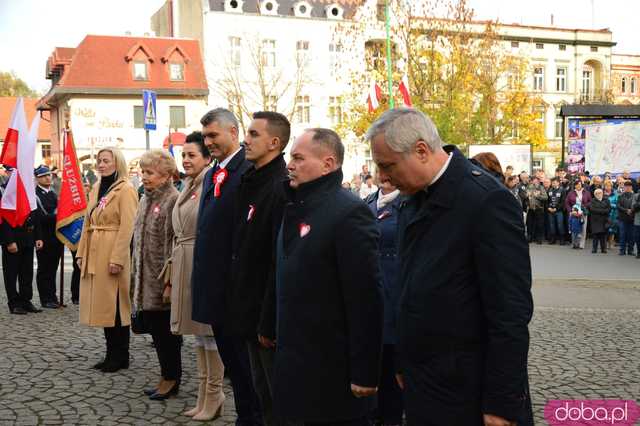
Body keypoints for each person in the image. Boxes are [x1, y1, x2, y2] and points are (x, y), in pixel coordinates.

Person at [367, 108, 533, 426]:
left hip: (469, 389)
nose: (383, 177)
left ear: (421, 150)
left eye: (388, 166)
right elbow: (407, 289)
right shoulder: (412, 198)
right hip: (425, 381)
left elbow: (509, 313)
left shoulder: (486, 202)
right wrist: (404, 358)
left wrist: (501, 402)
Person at [273, 128, 383, 425]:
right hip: (295, 367)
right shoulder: (295, 206)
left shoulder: (349, 213)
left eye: (298, 157)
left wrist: (364, 372)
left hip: (331, 372)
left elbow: (365, 299)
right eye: (289, 158)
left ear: (328, 163)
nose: (290, 165)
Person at [192, 108, 262, 425]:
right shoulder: (215, 172)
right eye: (205, 136)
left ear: (233, 133)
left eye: (213, 135)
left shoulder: (247, 170)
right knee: (233, 364)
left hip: (234, 289)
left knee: (245, 368)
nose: (208, 142)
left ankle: (251, 417)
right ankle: (245, 414)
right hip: (215, 286)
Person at [226, 112, 291, 426]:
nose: (245, 140)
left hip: (265, 316)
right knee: (261, 394)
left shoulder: (280, 189)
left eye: (253, 134)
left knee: (276, 399)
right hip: (247, 309)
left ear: (274, 143)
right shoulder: (250, 182)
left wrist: (267, 320)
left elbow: (276, 262)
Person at [169, 132, 224, 420]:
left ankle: (215, 394)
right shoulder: (189, 184)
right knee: (198, 335)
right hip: (185, 260)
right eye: (184, 155)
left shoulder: (210, 184)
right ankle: (204, 393)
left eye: (192, 155)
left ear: (206, 158)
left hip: (201, 260)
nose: (186, 160)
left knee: (209, 332)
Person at [76, 147, 138, 373]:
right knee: (104, 305)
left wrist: (118, 258)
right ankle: (110, 353)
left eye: (105, 161)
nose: (101, 165)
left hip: (112, 251)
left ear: (117, 163)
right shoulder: (96, 188)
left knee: (117, 305)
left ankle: (121, 355)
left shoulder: (126, 190)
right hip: (95, 249)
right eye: (99, 161)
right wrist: (81, 252)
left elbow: (127, 227)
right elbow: (87, 222)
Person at [132, 149, 181, 400]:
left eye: (149, 172)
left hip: (161, 282)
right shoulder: (145, 198)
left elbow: (173, 245)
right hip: (146, 279)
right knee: (157, 333)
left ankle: (172, 378)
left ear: (165, 175)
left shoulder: (172, 199)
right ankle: (165, 375)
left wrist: (169, 282)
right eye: (143, 171)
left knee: (166, 335)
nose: (144, 177)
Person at [365, 177, 404, 426]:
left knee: (391, 365)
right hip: (369, 294)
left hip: (395, 292)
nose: (383, 173)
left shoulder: (407, 203)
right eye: (379, 166)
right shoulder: (367, 202)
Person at [1, 178, 44, 315]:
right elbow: (3, 220)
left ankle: (26, 300)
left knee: (27, 272)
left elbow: (35, 215)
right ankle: (14, 303)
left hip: (28, 238)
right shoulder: (7, 193)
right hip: (13, 239)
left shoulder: (29, 192)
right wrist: (9, 241)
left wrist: (38, 237)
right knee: (11, 273)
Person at [33, 165, 63, 309]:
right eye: (44, 176)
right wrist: (58, 217)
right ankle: (45, 299)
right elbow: (39, 218)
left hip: (56, 237)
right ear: (37, 178)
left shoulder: (53, 193)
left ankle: (53, 296)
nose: (47, 177)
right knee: (44, 269)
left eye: (49, 175)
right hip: (43, 237)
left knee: (53, 268)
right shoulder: (35, 195)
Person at [564, 180, 592, 249]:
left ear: (581, 185)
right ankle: (574, 243)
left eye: (579, 184)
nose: (578, 185)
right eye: (577, 184)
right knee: (574, 229)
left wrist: (584, 207)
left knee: (583, 229)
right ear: (575, 185)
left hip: (583, 213)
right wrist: (571, 211)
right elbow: (567, 202)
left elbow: (590, 202)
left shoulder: (586, 193)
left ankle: (581, 244)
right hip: (573, 213)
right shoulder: (571, 193)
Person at [526, 176, 548, 244]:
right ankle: (530, 238)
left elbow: (545, 197)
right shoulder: (529, 187)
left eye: (536, 181)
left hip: (539, 208)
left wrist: (537, 196)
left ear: (538, 181)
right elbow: (525, 196)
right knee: (529, 224)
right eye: (533, 181)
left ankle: (539, 239)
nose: (534, 182)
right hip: (531, 208)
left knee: (539, 224)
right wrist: (527, 196)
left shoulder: (541, 188)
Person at [616, 181, 636, 256]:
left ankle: (630, 250)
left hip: (632, 218)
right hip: (622, 218)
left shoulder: (635, 196)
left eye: (629, 187)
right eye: (626, 187)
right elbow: (618, 206)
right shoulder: (620, 196)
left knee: (631, 235)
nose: (627, 188)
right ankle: (622, 250)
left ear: (631, 187)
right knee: (622, 235)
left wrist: (631, 210)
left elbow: (636, 205)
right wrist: (626, 210)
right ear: (624, 187)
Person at [589, 189, 611, 254]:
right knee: (595, 235)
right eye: (597, 193)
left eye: (600, 193)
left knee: (603, 235)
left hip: (604, 220)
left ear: (602, 193)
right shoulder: (592, 201)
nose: (598, 194)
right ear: (595, 194)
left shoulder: (606, 200)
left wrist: (599, 211)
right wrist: (603, 211)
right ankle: (594, 249)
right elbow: (592, 209)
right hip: (595, 220)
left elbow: (609, 209)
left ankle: (603, 249)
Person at [547, 178, 566, 245]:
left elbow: (563, 202)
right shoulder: (549, 190)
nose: (553, 184)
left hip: (559, 211)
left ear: (558, 183)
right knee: (552, 225)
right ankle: (553, 239)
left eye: (555, 183)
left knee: (560, 225)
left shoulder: (562, 190)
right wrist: (548, 207)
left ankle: (562, 239)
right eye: (552, 183)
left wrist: (556, 209)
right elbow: (547, 200)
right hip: (550, 211)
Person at [604, 181, 619, 250]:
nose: (608, 187)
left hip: (613, 214)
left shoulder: (615, 194)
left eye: (609, 186)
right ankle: (605, 243)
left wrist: (610, 205)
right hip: (604, 214)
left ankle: (610, 243)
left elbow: (617, 205)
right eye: (606, 186)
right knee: (605, 230)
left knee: (612, 230)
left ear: (611, 186)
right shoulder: (602, 194)